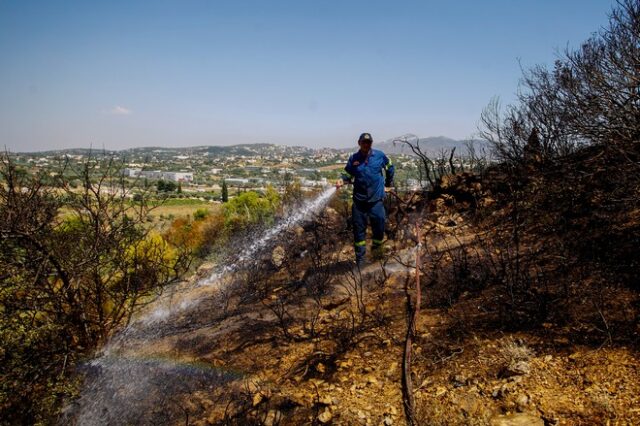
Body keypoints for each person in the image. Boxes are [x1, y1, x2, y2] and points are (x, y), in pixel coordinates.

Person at [337, 132, 395, 266]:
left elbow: (390, 167)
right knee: (359, 233)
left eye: (369, 142)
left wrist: (388, 184)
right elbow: (347, 174)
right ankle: (361, 262)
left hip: (376, 201)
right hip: (359, 202)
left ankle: (376, 255)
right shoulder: (354, 158)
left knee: (379, 228)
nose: (366, 144)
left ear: (371, 144)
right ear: (359, 143)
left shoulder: (379, 156)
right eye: (364, 142)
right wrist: (342, 180)